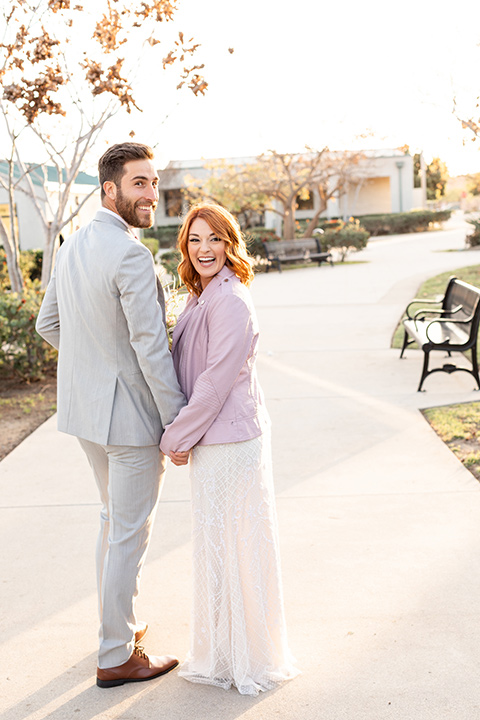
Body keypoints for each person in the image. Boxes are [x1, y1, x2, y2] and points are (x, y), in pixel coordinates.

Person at [36, 142, 186, 688]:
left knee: (111, 522)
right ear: (110, 189)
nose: (150, 193)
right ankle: (116, 654)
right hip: (128, 422)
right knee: (129, 532)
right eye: (139, 183)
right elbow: (150, 346)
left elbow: (48, 325)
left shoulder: (73, 244)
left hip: (86, 416)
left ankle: (115, 629)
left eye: (153, 182)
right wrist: (177, 422)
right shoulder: (129, 253)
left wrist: (92, 370)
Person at [160, 202, 299, 696]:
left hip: (231, 443)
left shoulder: (232, 301)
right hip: (213, 441)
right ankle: (223, 650)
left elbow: (216, 384)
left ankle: (246, 656)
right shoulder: (202, 296)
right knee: (219, 548)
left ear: (230, 244)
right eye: (195, 240)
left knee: (235, 548)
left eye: (214, 239)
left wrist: (175, 437)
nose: (203, 249)